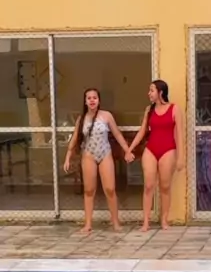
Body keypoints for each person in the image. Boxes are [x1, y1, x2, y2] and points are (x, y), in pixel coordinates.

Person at [64, 88, 134, 232]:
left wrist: (127, 150)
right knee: (89, 190)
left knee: (110, 189)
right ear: (85, 101)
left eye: (94, 98)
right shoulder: (81, 119)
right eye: (89, 98)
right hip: (88, 155)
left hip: (105, 154)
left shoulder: (106, 116)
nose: (92, 100)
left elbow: (117, 134)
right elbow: (75, 138)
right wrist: (68, 156)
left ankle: (115, 222)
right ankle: (88, 224)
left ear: (99, 100)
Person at [128, 80, 184, 231]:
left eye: (151, 90)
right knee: (148, 186)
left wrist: (181, 157)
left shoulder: (174, 109)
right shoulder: (149, 110)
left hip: (168, 150)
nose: (149, 93)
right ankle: (146, 221)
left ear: (160, 92)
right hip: (151, 150)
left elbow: (179, 134)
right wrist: (130, 149)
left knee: (165, 186)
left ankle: (164, 220)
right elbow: (142, 131)